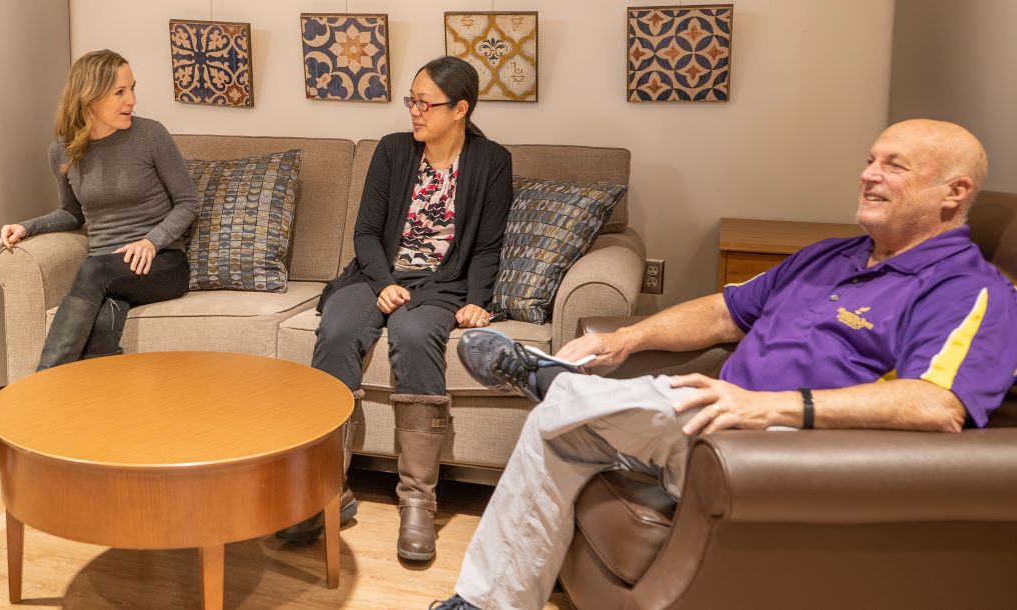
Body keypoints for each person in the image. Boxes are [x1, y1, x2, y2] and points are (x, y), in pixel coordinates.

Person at [428, 119, 1017, 609]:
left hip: (794, 448)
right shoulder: (831, 256)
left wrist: (770, 406)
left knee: (567, 412)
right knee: (558, 430)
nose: (868, 174)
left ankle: (553, 381)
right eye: (870, 159)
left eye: (895, 165)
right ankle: (485, 601)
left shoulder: (969, 291)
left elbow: (939, 405)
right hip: (715, 421)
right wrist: (623, 341)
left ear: (954, 192)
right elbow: (723, 313)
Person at [277, 56, 513, 563]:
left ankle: (417, 503)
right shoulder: (392, 151)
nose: (415, 110)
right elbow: (366, 232)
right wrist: (382, 283)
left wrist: (476, 302)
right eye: (412, 99)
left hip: (442, 285)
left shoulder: (493, 161)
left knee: (414, 335)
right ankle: (324, 493)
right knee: (338, 329)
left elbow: (487, 246)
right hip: (374, 274)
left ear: (460, 109)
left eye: (425, 102)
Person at [0, 49, 199, 370]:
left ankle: (43, 382)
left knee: (94, 271)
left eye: (132, 88)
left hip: (162, 265)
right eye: (120, 92)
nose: (131, 100)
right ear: (89, 97)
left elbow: (188, 202)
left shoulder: (151, 136)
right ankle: (90, 404)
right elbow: (72, 213)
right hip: (107, 271)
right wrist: (27, 227)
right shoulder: (63, 150)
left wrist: (151, 241)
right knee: (103, 318)